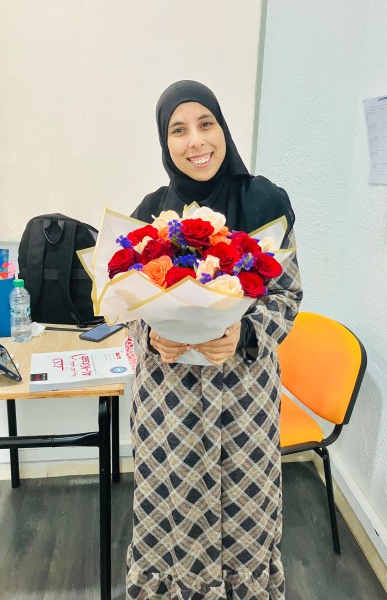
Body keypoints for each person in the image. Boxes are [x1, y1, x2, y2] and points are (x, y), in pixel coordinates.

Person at [127, 80, 303, 599]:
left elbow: (287, 296)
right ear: (165, 142)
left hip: (243, 404)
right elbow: (127, 305)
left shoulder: (265, 202)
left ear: (223, 128)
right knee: (170, 516)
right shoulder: (150, 214)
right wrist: (152, 334)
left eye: (206, 124)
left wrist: (245, 332)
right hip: (169, 409)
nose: (195, 141)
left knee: (246, 521)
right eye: (178, 130)